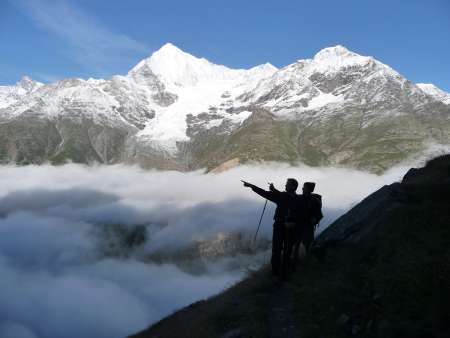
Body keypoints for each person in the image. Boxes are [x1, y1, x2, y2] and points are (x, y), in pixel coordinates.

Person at [242, 178, 299, 277]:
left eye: (287, 184)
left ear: (293, 187)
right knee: (288, 249)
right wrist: (274, 190)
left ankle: (276, 273)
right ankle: (287, 270)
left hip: (279, 226)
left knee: (276, 250)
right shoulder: (298, 198)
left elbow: (265, 193)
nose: (285, 186)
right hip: (292, 228)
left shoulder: (283, 197)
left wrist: (252, 186)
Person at [292, 182, 322, 267]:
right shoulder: (301, 198)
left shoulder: (314, 201)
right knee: (298, 244)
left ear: (308, 189)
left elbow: (319, 215)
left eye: (304, 187)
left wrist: (315, 220)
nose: (302, 189)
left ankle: (307, 263)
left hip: (307, 227)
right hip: (300, 226)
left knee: (306, 245)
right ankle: (299, 263)